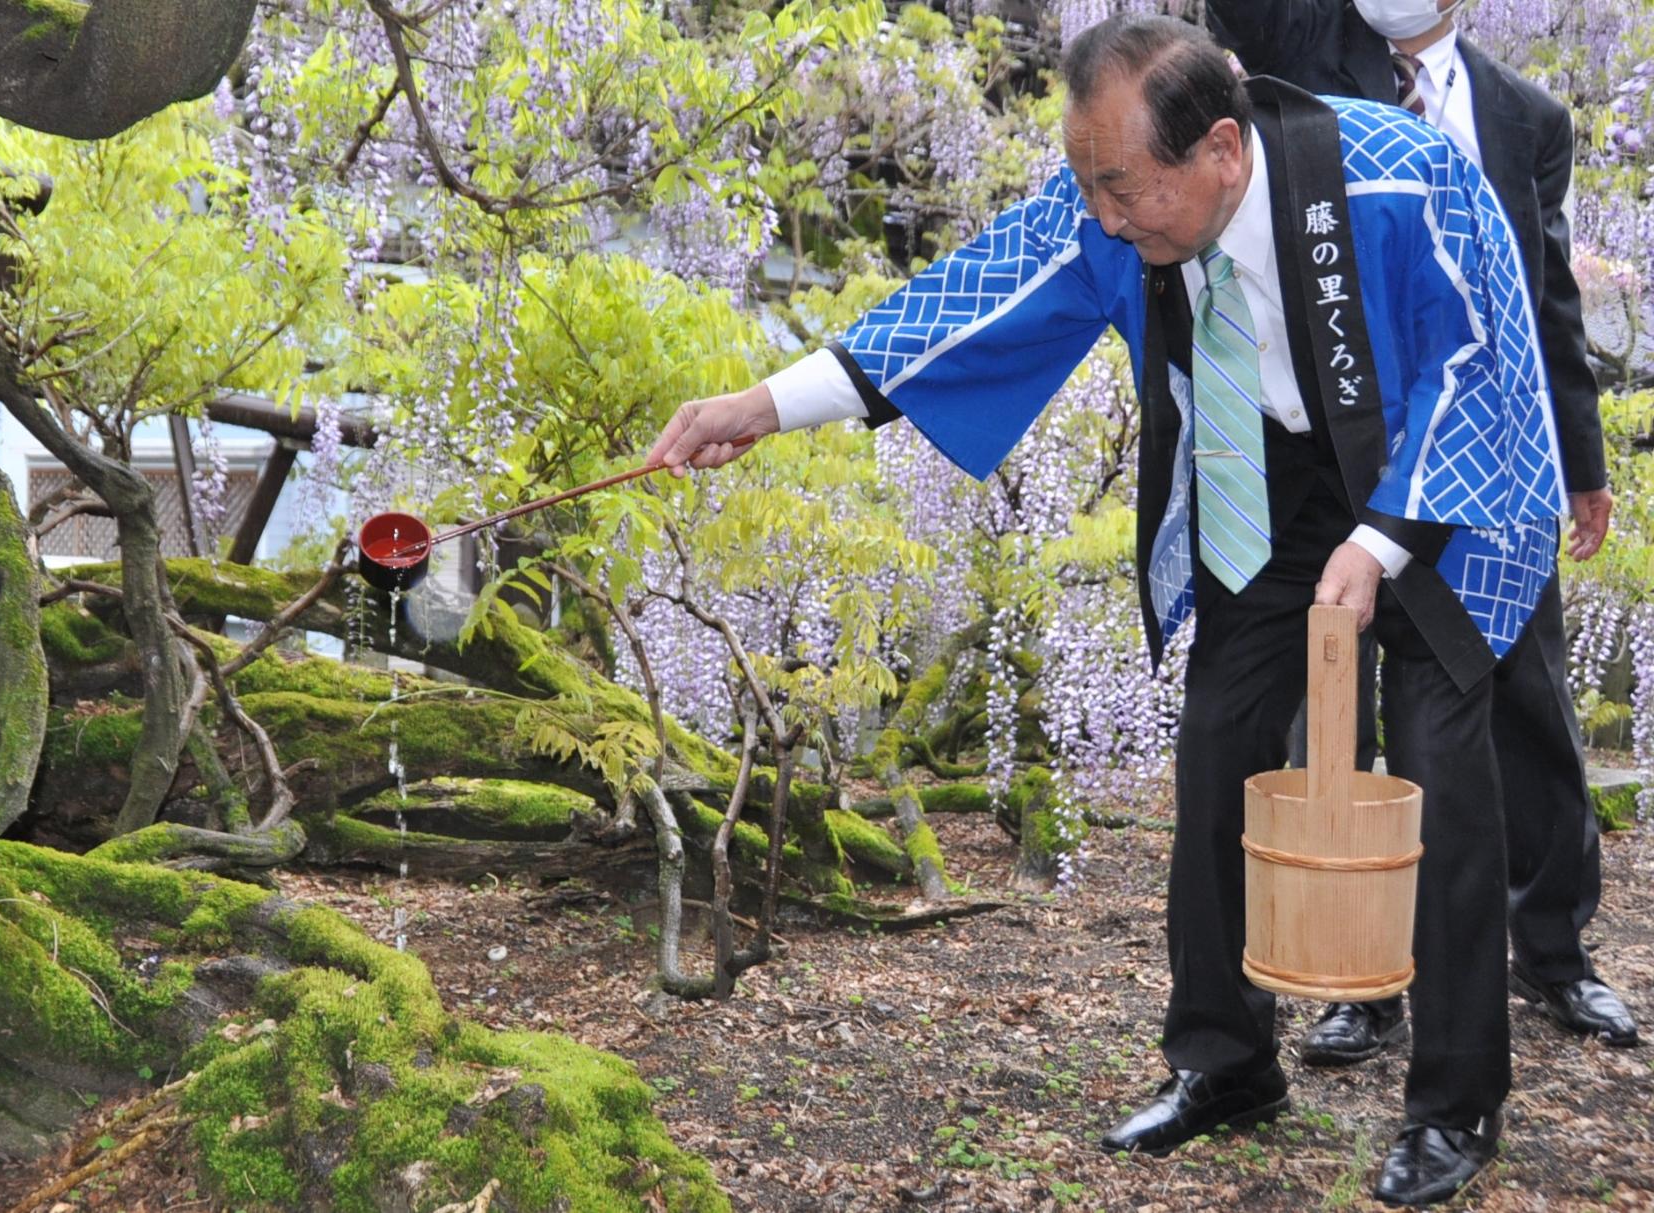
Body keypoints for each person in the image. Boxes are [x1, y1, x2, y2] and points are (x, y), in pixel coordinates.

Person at [647, 15, 1567, 1207]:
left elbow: (1483, 358)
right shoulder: (1110, 202)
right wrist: (759, 405)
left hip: (1443, 482)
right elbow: (961, 303)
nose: (1105, 217)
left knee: (1438, 771)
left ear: (1221, 150)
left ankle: (1454, 1104)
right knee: (1218, 745)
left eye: (1123, 188)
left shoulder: (1402, 175)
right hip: (1276, 480)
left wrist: (1384, 537)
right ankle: (1224, 1062)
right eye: (1089, 185)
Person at [1207, 0, 1638, 1068]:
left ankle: (1550, 945)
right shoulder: (1305, 62)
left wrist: (1577, 463)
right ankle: (1366, 976)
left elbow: (1543, 299)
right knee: (1337, 708)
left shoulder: (1525, 114)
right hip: (1345, 464)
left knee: (1526, 697)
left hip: (1490, 454)